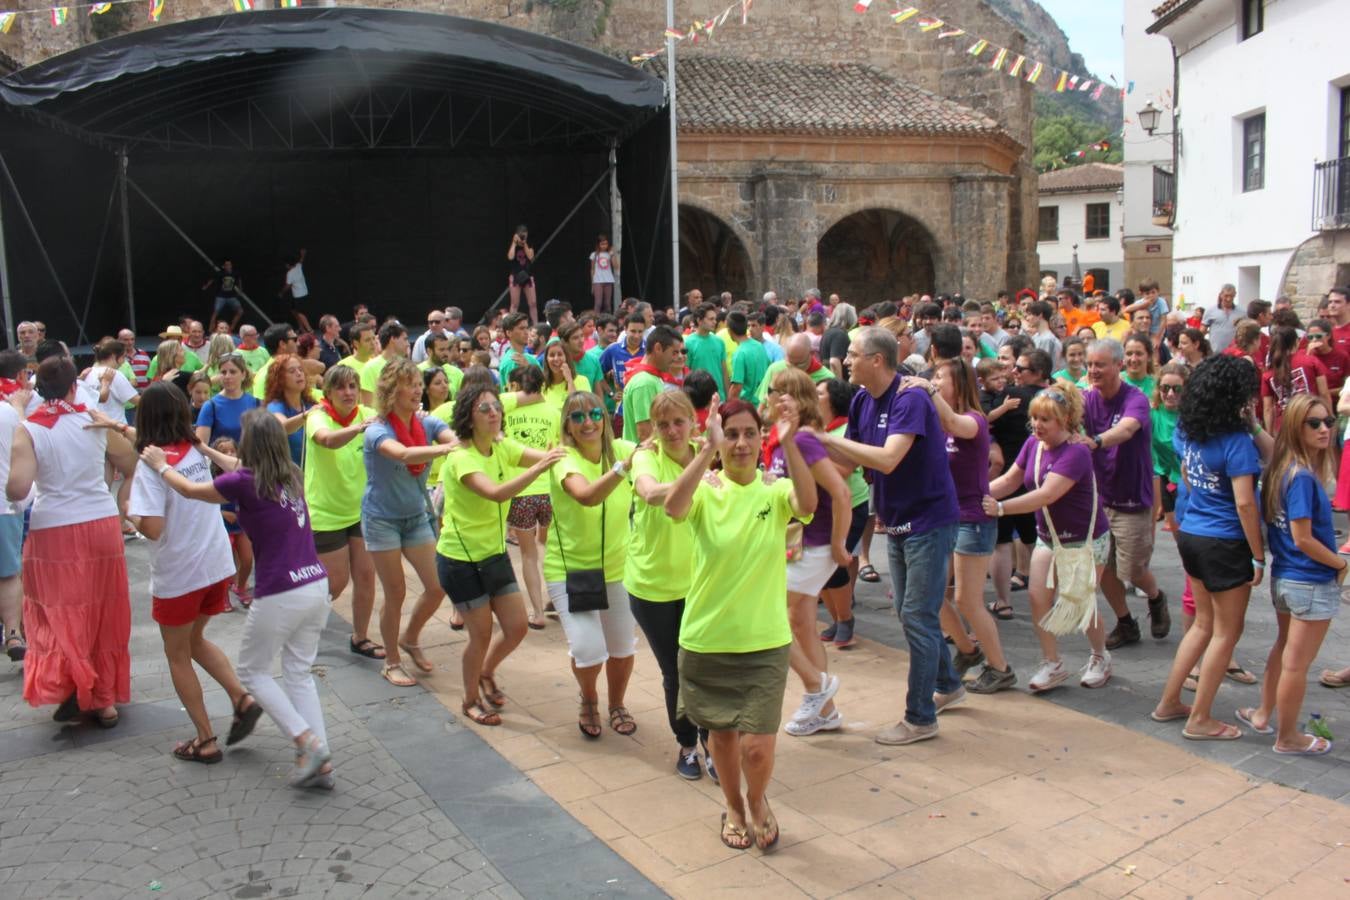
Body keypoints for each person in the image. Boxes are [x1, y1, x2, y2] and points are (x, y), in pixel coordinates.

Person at [144, 410, 334, 787]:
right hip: (315, 584)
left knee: (252, 672)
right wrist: (203, 448)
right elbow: (234, 465)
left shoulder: (245, 483)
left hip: (281, 590)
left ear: (250, 446)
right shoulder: (289, 475)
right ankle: (320, 758)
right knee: (298, 673)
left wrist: (162, 466)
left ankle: (305, 740)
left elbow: (190, 491)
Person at [663, 397, 815, 850]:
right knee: (723, 741)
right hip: (707, 641)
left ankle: (758, 799)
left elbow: (807, 502)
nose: (742, 443)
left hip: (765, 643)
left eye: (751, 433)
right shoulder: (705, 490)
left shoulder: (773, 491)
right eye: (732, 434)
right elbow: (672, 507)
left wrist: (790, 444)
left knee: (757, 747)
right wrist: (706, 451)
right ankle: (733, 805)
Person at [818, 327, 961, 746]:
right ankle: (949, 682)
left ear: (877, 360)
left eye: (853, 354)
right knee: (910, 610)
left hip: (929, 522)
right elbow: (847, 461)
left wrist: (825, 438)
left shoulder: (910, 398)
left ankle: (920, 718)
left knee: (916, 614)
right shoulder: (862, 399)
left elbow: (888, 459)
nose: (845, 360)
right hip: (897, 522)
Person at [113, 383, 259, 763]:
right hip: (215, 566)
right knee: (196, 640)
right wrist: (111, 425)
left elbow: (154, 528)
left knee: (177, 654)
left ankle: (205, 739)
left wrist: (129, 511)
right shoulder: (193, 450)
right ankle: (241, 697)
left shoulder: (151, 467)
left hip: (180, 573)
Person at [7, 357, 138, 728]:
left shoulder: (30, 429)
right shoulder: (94, 419)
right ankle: (101, 696)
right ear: (72, 387)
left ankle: (82, 691)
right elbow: (130, 463)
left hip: (54, 531)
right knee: (100, 609)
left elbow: (17, 488)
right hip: (100, 523)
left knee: (58, 612)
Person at [432, 382, 565, 725]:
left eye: (496, 406)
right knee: (480, 633)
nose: (494, 412)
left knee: (518, 626)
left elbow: (547, 457)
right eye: (485, 409)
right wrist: (539, 468)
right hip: (460, 560)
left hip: (493, 554)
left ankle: (487, 671)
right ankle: (469, 699)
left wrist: (565, 452)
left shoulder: (500, 448)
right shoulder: (461, 457)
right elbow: (494, 493)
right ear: (468, 418)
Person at [1150, 355, 1269, 740]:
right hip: (1225, 541)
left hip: (1193, 535)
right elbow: (1245, 503)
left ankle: (1169, 702)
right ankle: (1200, 718)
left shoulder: (1188, 430)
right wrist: (1258, 554)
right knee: (1225, 633)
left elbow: (1186, 474)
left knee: (1202, 626)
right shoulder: (1235, 443)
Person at [984, 382, 1113, 691]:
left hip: (1084, 541)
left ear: (1065, 420)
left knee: (1081, 602)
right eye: (1035, 418)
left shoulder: (1077, 452)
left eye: (1045, 419)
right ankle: (1052, 663)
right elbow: (1011, 479)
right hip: (1049, 537)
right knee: (1037, 596)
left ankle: (1100, 655)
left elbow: (1045, 495)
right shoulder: (1033, 444)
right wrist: (976, 496)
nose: (1037, 426)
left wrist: (999, 509)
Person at [1235, 394, 1343, 754]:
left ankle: (1264, 715)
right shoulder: (1301, 477)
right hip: (1308, 580)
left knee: (1283, 651)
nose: (1325, 429)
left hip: (1286, 578)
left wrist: (1252, 423)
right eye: (1314, 423)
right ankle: (1288, 737)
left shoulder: (1283, 468)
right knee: (1296, 665)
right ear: (1297, 428)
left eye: (1328, 421)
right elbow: (1302, 538)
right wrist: (1341, 563)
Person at [626, 391, 715, 778]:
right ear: (653, 428)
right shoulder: (646, 456)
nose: (672, 431)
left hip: (701, 583)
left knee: (706, 667)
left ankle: (714, 744)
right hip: (652, 586)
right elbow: (650, 493)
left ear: (692, 422)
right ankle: (687, 744)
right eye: (663, 425)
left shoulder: (708, 449)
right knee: (675, 671)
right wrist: (703, 471)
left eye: (679, 422)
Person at [763, 368, 852, 737]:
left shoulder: (805, 440)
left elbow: (841, 492)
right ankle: (825, 710)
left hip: (814, 545)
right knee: (799, 622)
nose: (770, 397)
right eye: (773, 391)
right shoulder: (783, 438)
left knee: (768, 621)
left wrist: (837, 543)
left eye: (778, 392)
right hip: (796, 543)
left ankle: (816, 685)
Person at [545, 390, 639, 739]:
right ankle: (589, 698)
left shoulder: (627, 450)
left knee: (622, 648)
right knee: (588, 650)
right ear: (567, 425)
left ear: (605, 418)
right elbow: (586, 496)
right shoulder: (562, 458)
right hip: (571, 570)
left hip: (618, 568)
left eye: (595, 414)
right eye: (578, 416)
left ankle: (617, 704)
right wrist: (621, 469)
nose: (588, 422)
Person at [920, 358, 1016, 693]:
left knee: (967, 600)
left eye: (940, 377)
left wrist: (925, 390)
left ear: (959, 384)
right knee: (931, 593)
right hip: (947, 518)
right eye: (933, 376)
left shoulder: (974, 421)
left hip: (973, 520)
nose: (934, 380)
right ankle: (967, 650)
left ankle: (1000, 668)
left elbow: (951, 419)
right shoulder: (942, 422)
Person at [362, 360, 457, 686]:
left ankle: (411, 637)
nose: (418, 389)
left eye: (419, 383)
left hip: (415, 516)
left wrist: (455, 438)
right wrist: (448, 448)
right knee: (396, 592)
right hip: (381, 519)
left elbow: (449, 433)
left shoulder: (426, 423)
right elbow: (401, 454)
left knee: (437, 586)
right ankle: (391, 661)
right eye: (410, 383)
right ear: (392, 390)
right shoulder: (377, 429)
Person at [1082, 339, 1168, 649]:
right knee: (1104, 567)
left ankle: (1156, 599)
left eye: (1100, 364)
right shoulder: (1086, 398)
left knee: (1132, 570)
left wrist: (1097, 441)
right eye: (1090, 364)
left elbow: (1128, 429)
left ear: (1118, 366)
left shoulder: (1136, 399)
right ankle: (1126, 623)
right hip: (1099, 499)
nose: (1093, 370)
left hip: (1131, 498)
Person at [305, 365, 381, 660]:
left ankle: (360, 637)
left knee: (366, 576)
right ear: (328, 392)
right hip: (326, 513)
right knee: (335, 583)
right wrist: (361, 428)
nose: (348, 392)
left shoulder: (366, 413)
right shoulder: (317, 416)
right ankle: (300, 627)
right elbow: (326, 439)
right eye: (341, 387)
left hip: (361, 510)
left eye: (353, 386)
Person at [499, 364, 558, 629]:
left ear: (515, 387)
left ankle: (537, 612)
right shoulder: (553, 410)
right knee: (555, 548)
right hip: (552, 490)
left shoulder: (504, 410)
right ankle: (558, 599)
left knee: (529, 555)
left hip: (522, 490)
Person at [816, 377, 869, 648]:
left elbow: (844, 471)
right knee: (820, 565)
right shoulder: (813, 428)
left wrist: (807, 460)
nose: (814, 395)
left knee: (835, 563)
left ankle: (846, 619)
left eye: (820, 392)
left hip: (851, 504)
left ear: (834, 399)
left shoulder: (848, 429)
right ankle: (837, 620)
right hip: (821, 507)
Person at [0, 355, 27, 661]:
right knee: (8, 573)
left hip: (7, 500)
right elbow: (29, 442)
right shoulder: (12, 408)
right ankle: (13, 633)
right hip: (6, 502)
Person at [621, 325, 683, 443]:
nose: (677, 358)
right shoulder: (645, 383)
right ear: (658, 348)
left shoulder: (650, 378)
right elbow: (645, 434)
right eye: (673, 353)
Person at [1262, 326, 1330, 433]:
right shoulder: (1311, 361)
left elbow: (1268, 409)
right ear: (1296, 342)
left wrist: (1270, 434)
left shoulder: (1269, 373)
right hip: (1312, 420)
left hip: (1285, 425)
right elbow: (1324, 393)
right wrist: (1329, 417)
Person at [196, 351, 258, 447]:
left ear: (243, 374)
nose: (227, 376)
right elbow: (201, 446)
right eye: (223, 372)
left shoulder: (256, 403)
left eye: (233, 372)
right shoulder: (211, 406)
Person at [264, 354, 315, 466]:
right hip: (285, 477)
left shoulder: (311, 404)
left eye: (301, 369)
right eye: (292, 371)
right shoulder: (275, 406)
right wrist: (309, 414)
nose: (299, 373)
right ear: (279, 379)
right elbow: (282, 427)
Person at [685, 302, 729, 399]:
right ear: (699, 320)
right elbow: (686, 373)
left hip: (719, 397)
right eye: (711, 319)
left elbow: (724, 371)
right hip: (698, 399)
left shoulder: (719, 341)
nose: (715, 322)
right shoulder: (688, 343)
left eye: (715, 319)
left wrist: (728, 397)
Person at [507, 224, 538, 322]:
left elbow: (530, 257)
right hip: (515, 276)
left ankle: (535, 324)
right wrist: (514, 243)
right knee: (514, 304)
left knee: (533, 303)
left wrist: (524, 244)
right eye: (521, 236)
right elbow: (510, 257)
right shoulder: (513, 243)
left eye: (524, 235)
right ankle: (511, 324)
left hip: (528, 275)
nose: (522, 238)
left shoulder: (529, 243)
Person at [205, 258, 244, 334]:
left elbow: (239, 280)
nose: (228, 266)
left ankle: (231, 328)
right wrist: (206, 286)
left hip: (231, 296)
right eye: (226, 265)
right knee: (215, 312)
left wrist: (240, 289)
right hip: (221, 296)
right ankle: (210, 330)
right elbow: (212, 279)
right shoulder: (221, 273)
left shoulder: (235, 273)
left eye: (229, 264)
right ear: (224, 266)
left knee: (240, 311)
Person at [279, 249, 312, 334]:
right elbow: (301, 261)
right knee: (294, 311)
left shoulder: (290, 273)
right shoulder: (298, 266)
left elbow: (288, 286)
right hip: (303, 292)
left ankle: (309, 329)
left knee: (300, 313)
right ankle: (302, 328)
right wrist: (303, 254)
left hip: (299, 295)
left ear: (287, 265)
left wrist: (281, 293)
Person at [1202, 284, 1241, 353]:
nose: (1228, 299)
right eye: (1226, 296)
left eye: (1231, 296)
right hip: (1215, 353)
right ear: (1221, 295)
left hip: (1235, 353)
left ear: (1235, 295)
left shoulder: (1242, 312)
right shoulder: (1210, 310)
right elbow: (1202, 331)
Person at [589, 234, 618, 313]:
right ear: (598, 244)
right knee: (598, 303)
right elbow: (592, 269)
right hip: (597, 281)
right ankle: (595, 320)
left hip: (608, 280)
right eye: (602, 244)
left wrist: (613, 255)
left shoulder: (609, 254)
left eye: (606, 244)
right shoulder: (594, 255)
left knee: (607, 304)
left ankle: (608, 321)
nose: (604, 246)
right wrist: (592, 284)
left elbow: (616, 267)